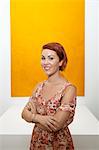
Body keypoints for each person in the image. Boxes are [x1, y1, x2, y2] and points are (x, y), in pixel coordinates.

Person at [21, 42, 77, 150]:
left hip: (59, 144)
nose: (45, 62)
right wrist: (39, 118)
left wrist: (32, 117)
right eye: (43, 58)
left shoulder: (69, 89)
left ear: (61, 62)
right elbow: (24, 114)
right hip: (37, 142)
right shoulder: (39, 87)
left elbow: (55, 126)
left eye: (51, 58)